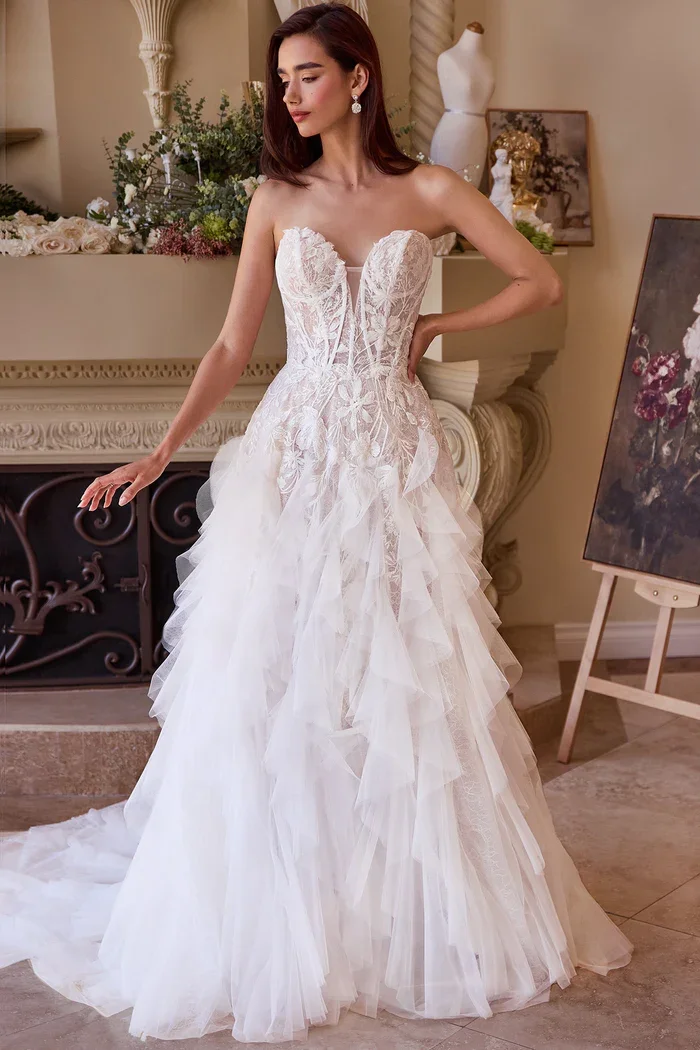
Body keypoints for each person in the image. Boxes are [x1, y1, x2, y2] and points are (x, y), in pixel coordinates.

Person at [0, 2, 633, 1043]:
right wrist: (159, 451)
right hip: (294, 454)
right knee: (276, 673)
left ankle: (401, 909)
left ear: (357, 79)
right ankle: (278, 901)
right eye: (281, 80)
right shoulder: (271, 198)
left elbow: (538, 277)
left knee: (396, 674)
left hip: (387, 451)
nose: (287, 96)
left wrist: (436, 322)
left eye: (303, 76)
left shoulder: (428, 190)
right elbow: (229, 347)